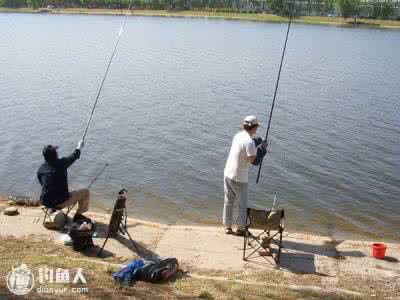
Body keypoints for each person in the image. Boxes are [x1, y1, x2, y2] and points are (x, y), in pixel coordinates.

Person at [223, 115, 268, 236]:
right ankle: (241, 229)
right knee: (242, 205)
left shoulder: (238, 135)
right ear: (254, 127)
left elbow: (249, 143)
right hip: (240, 178)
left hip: (228, 173)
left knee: (229, 201)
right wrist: (263, 150)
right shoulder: (249, 143)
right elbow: (254, 161)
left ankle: (227, 226)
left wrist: (259, 141)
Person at [37, 139, 90, 223]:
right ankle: (78, 216)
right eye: (56, 151)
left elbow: (43, 184)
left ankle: (52, 209)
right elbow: (74, 155)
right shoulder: (61, 163)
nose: (57, 152)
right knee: (86, 192)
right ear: (55, 154)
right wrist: (79, 146)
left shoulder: (41, 169)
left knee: (52, 189)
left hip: (45, 201)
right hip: (59, 202)